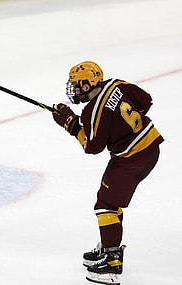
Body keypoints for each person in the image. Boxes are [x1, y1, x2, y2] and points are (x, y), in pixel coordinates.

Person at [51, 61, 164, 285]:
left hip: (131, 160)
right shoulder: (116, 84)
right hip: (150, 148)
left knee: (105, 205)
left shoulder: (92, 111)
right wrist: (123, 129)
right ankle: (108, 244)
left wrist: (71, 124)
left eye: (76, 85)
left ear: (86, 85)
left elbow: (92, 147)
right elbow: (146, 100)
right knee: (111, 202)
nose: (73, 89)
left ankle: (112, 261)